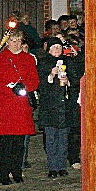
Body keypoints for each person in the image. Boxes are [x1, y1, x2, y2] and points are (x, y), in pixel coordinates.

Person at [0, 28, 38, 184]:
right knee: (5, 142)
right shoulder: (0, 58)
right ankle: (3, 172)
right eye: (13, 41)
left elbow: (35, 80)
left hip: (21, 105)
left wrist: (24, 87)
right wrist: (10, 90)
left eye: (19, 41)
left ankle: (17, 171)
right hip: (5, 105)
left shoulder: (28, 58)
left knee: (19, 142)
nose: (16, 44)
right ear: (7, 42)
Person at [37, 37, 79, 178]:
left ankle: (62, 166)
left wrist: (67, 81)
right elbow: (40, 85)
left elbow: (76, 81)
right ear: (48, 49)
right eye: (54, 47)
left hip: (65, 107)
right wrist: (51, 75)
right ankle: (52, 167)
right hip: (50, 108)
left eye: (59, 47)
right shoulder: (43, 63)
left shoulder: (69, 62)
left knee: (63, 138)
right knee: (51, 139)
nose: (57, 50)